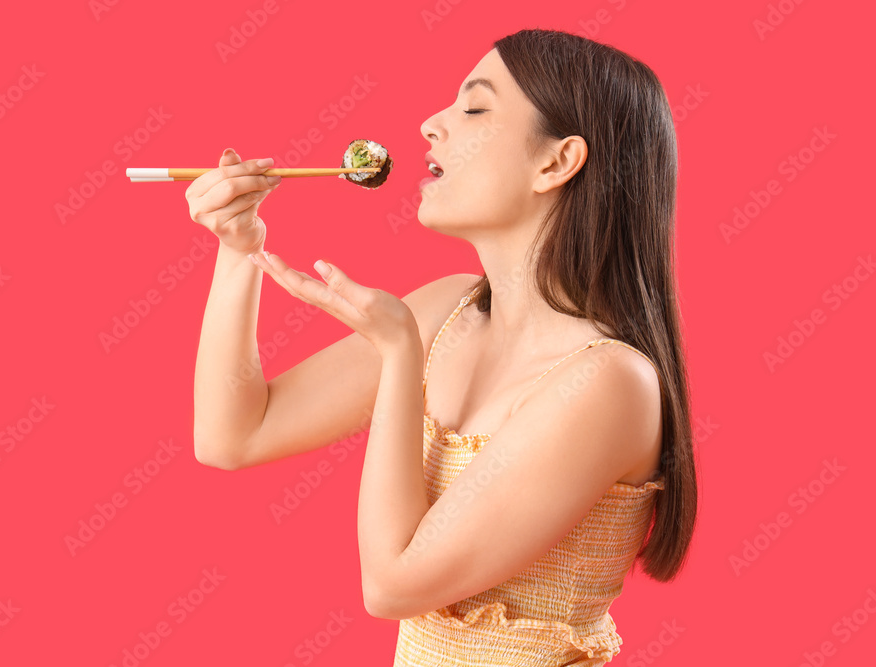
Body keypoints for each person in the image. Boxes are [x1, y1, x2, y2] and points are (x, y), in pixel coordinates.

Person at [186, 27, 697, 667]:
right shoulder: (445, 310)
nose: (431, 124)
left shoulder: (608, 381)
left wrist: (402, 357)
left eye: (475, 108)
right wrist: (239, 251)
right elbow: (233, 435)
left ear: (556, 163)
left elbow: (393, 585)